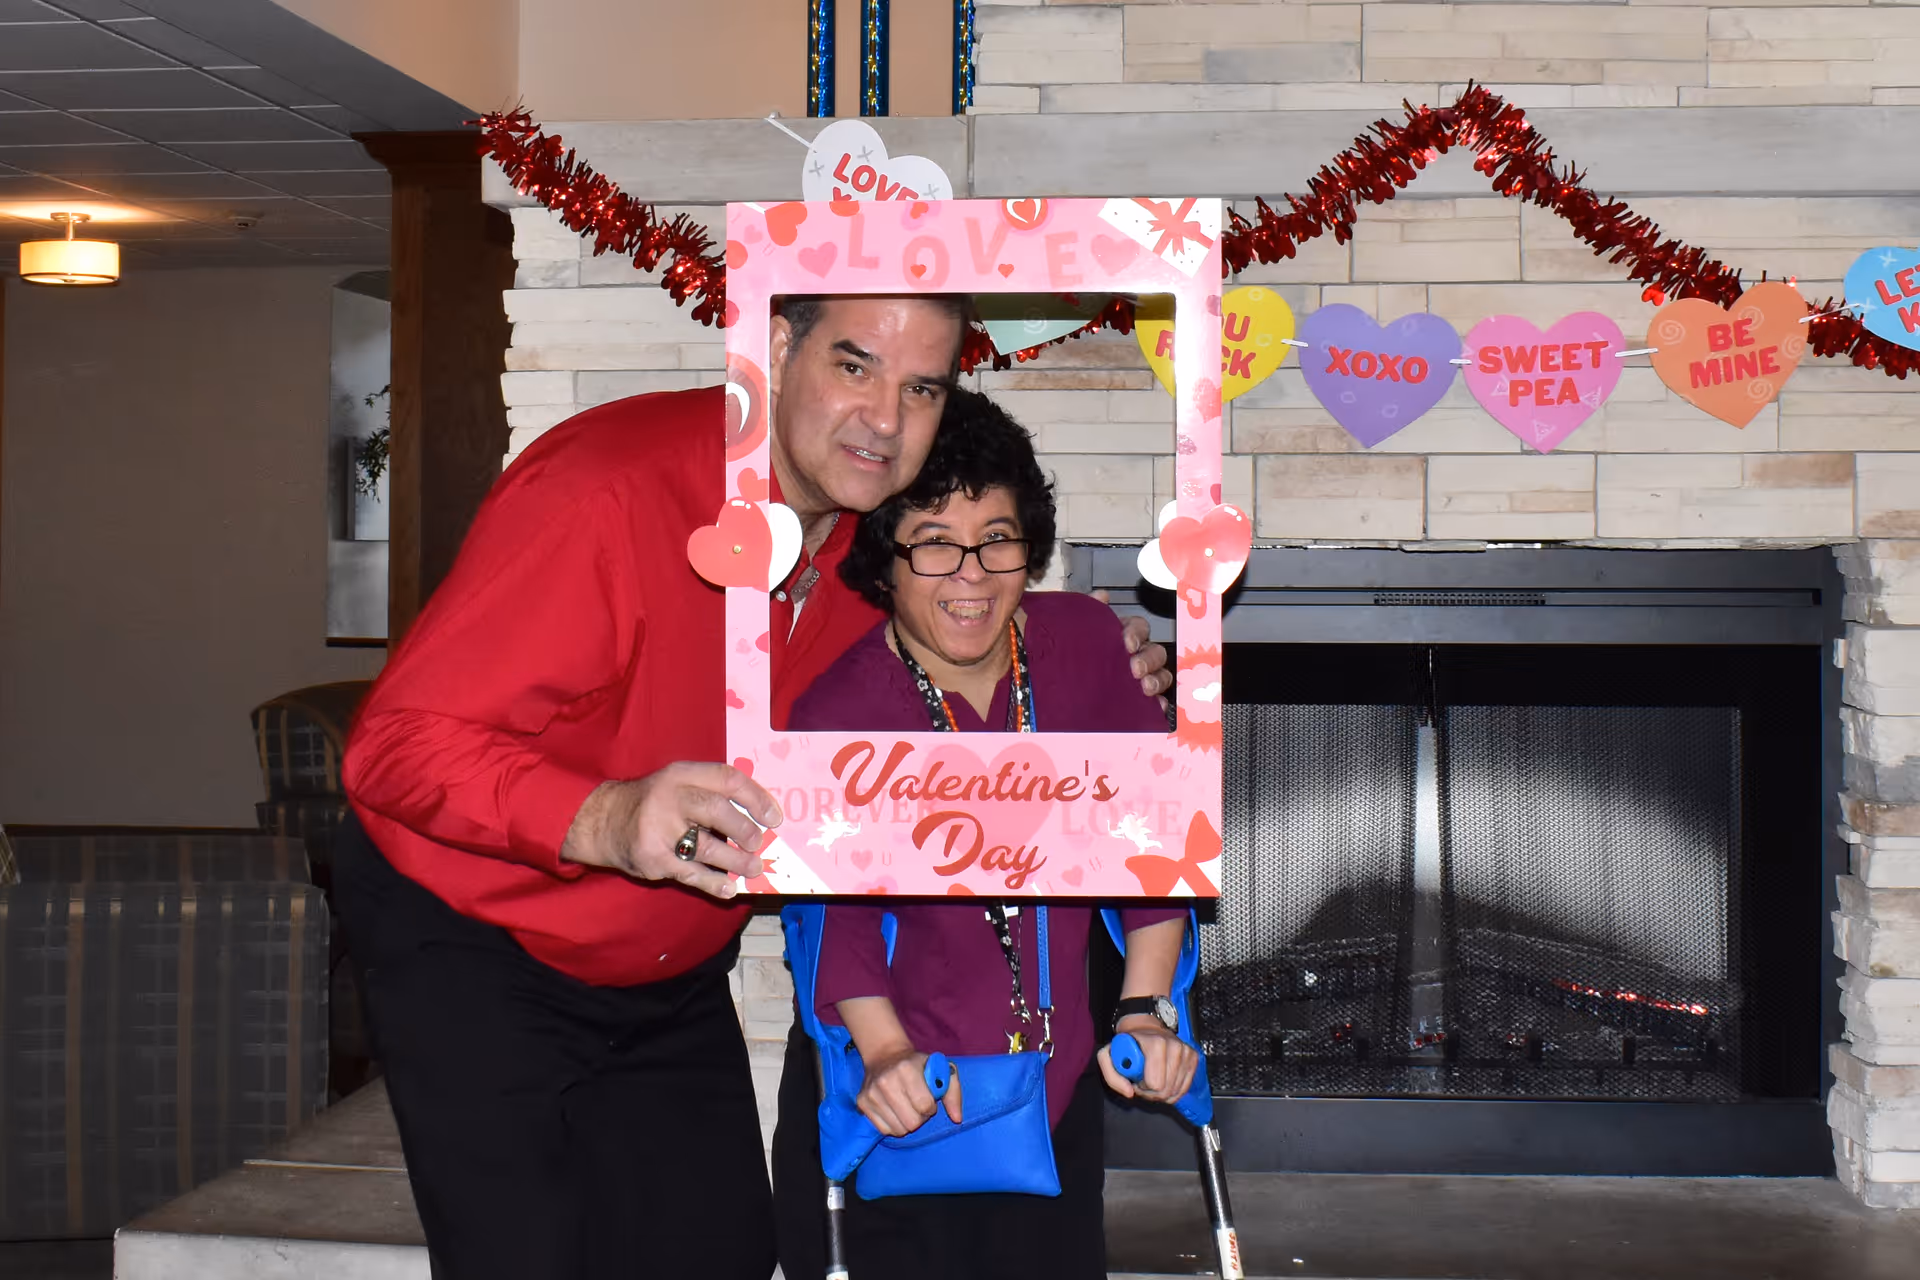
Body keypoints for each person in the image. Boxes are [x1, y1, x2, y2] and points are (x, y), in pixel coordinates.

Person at [334, 295, 1173, 1280]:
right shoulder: (607, 490)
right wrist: (604, 814)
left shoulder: (873, 558)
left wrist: (1101, 664)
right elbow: (391, 748)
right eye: (854, 366)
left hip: (668, 957)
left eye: (921, 387)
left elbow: (964, 648)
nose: (884, 421)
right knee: (525, 1252)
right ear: (776, 345)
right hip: (475, 930)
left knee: (720, 1246)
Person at [773, 389, 1199, 1280]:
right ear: (885, 558)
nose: (971, 574)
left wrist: (1145, 1008)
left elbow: (1151, 848)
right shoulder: (832, 712)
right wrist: (886, 1052)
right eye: (933, 540)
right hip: (895, 1081)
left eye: (996, 538)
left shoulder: (1086, 646)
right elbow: (832, 920)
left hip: (1050, 1090)